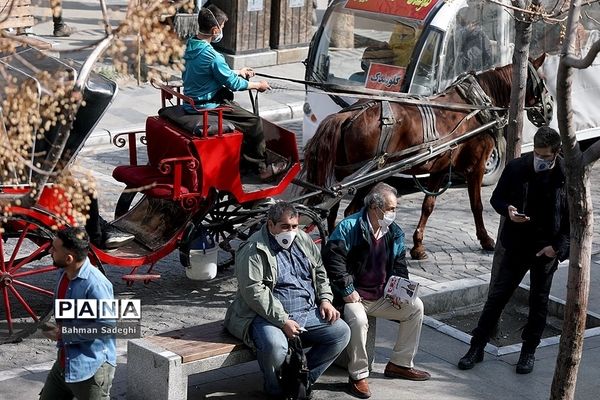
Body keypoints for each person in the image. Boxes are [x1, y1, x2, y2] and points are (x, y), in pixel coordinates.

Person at [458, 126, 569, 374]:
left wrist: (557, 248)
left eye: (546, 157)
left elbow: (574, 221)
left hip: (545, 250)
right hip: (517, 245)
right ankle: (476, 347)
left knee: (538, 303)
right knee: (497, 297)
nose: (541, 160)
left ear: (556, 152)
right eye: (537, 155)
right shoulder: (517, 167)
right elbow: (497, 198)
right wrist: (507, 209)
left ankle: (528, 351)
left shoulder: (566, 175)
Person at [224, 202, 351, 399]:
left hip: (306, 310)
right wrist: (283, 321)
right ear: (270, 225)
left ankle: (301, 379)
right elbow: (254, 292)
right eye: (284, 226)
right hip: (264, 315)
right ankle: (274, 389)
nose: (290, 231)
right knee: (276, 347)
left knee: (340, 333)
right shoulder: (253, 248)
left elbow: (319, 270)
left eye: (294, 226)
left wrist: (325, 299)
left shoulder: (302, 239)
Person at [322, 183, 430, 399]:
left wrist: (400, 292)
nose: (393, 213)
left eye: (394, 208)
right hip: (354, 296)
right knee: (359, 320)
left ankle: (400, 364)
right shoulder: (348, 227)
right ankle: (358, 375)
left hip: (381, 295)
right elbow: (333, 261)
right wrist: (347, 290)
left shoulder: (394, 232)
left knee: (416, 307)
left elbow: (399, 266)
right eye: (390, 208)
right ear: (374, 207)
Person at [182, 5, 288, 182]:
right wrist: (257, 85)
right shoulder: (213, 56)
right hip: (207, 106)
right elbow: (232, 83)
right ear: (215, 30)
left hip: (192, 102)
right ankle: (260, 168)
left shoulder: (190, 46)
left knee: (238, 111)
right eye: (222, 28)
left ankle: (242, 159)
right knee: (253, 122)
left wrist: (238, 71)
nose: (222, 31)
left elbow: (213, 72)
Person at [39, 227, 117, 400]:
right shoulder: (64, 272)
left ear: (69, 258)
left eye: (54, 249)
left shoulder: (96, 285)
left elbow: (105, 326)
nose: (50, 251)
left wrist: (63, 333)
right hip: (64, 362)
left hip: (91, 369)